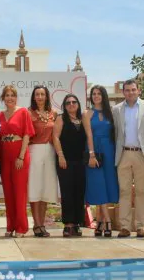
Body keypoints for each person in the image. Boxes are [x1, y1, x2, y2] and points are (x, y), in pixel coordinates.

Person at [112, 79, 144, 238]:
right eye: (127, 90)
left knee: (141, 191)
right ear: (123, 92)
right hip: (123, 154)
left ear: (139, 91)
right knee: (124, 191)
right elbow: (115, 132)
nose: (130, 92)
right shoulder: (116, 109)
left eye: (133, 90)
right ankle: (125, 226)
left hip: (141, 153)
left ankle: (141, 226)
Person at [0, 85, 35, 238]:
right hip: (5, 155)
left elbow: (27, 135)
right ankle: (10, 225)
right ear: (3, 98)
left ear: (16, 97)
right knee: (8, 192)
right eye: (7, 95)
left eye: (12, 95)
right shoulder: (0, 115)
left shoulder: (23, 112)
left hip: (19, 154)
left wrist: (21, 156)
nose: (10, 98)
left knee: (20, 192)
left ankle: (21, 227)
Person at [83, 85, 118, 238]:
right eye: (94, 94)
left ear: (103, 96)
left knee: (108, 185)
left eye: (99, 93)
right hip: (94, 151)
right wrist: (91, 155)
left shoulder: (111, 113)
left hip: (109, 151)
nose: (96, 96)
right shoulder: (87, 113)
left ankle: (99, 224)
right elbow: (88, 135)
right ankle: (108, 221)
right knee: (98, 185)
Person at [53, 94, 86, 237]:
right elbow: (55, 137)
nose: (71, 104)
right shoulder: (61, 118)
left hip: (81, 161)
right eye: (68, 103)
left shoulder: (83, 119)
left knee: (79, 191)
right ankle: (68, 224)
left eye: (74, 102)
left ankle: (77, 223)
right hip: (64, 161)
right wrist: (60, 155)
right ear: (64, 106)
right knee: (67, 192)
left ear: (78, 104)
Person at [28, 85, 59, 238]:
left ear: (46, 96)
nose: (40, 97)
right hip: (34, 151)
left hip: (50, 152)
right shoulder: (28, 113)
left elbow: (57, 136)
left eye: (42, 94)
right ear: (34, 97)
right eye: (37, 94)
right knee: (35, 189)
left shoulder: (53, 113)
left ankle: (43, 224)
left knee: (46, 189)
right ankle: (37, 224)